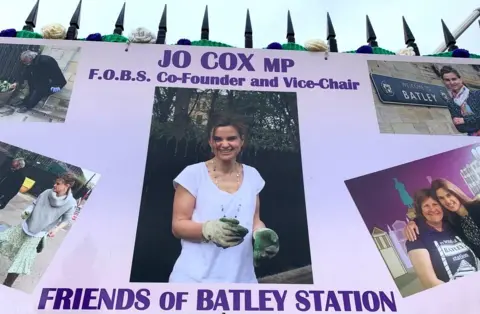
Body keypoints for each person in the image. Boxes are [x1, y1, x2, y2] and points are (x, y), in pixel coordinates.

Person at [169, 112, 280, 283]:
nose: (224, 144)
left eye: (231, 138)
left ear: (242, 141)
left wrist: (261, 233)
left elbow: (255, 219)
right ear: (210, 142)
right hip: (195, 280)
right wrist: (209, 229)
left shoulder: (253, 176)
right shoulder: (193, 174)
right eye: (218, 139)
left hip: (242, 280)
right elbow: (178, 226)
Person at [0, 172, 76, 287]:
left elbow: (66, 220)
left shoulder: (71, 203)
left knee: (21, 260)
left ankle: (6, 285)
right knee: (3, 240)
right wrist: (28, 211)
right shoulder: (46, 192)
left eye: (58, 183)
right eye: (55, 182)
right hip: (25, 226)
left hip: (37, 234)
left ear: (67, 185)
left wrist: (56, 229)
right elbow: (34, 203)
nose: (54, 185)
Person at [406, 189, 479, 289]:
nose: (432, 209)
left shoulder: (454, 224)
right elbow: (429, 282)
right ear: (421, 210)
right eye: (426, 206)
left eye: (435, 204)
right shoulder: (415, 237)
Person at [404, 179, 480, 257]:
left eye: (449, 195)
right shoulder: (452, 220)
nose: (447, 201)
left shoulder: (477, 207)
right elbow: (427, 216)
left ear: (456, 193)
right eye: (441, 198)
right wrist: (412, 222)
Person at [440, 66, 480, 136]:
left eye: (454, 79)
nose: (451, 82)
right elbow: (460, 128)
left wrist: (464, 120)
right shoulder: (451, 103)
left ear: (460, 79)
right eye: (447, 80)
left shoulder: (477, 94)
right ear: (444, 82)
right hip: (473, 137)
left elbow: (461, 122)